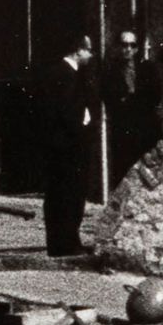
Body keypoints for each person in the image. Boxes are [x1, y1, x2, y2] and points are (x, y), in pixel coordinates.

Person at [27, 35, 99, 257]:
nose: (91, 55)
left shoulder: (59, 73)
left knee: (61, 194)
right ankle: (66, 244)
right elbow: (68, 112)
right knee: (69, 194)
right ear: (78, 50)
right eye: (89, 50)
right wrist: (83, 132)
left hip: (61, 145)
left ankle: (63, 242)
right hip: (69, 145)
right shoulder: (67, 75)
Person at [99, 29, 163, 184]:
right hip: (124, 130)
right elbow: (111, 99)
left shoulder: (147, 68)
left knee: (151, 172)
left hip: (147, 127)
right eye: (124, 45)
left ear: (136, 48)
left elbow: (155, 95)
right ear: (118, 47)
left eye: (132, 45)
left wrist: (130, 99)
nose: (128, 49)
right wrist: (133, 100)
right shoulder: (110, 72)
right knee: (125, 173)